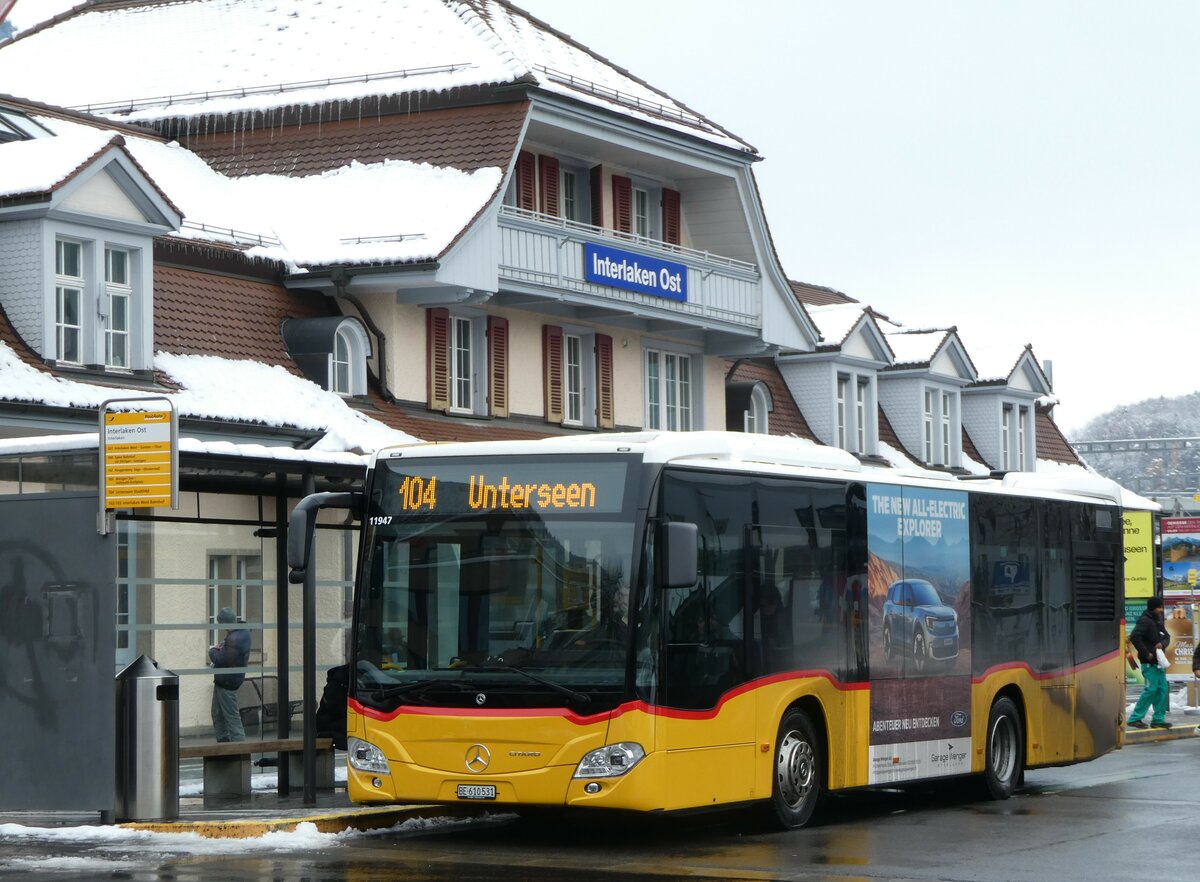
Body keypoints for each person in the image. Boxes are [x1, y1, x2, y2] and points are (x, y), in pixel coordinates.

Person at [1127, 596, 1171, 730]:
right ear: (1153, 608)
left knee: (1162, 690)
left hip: (1159, 662)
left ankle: (1158, 719)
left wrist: (1162, 644)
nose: (1161, 610)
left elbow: (1167, 636)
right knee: (1151, 689)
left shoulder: (1157, 621)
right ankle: (1135, 718)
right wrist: (1146, 653)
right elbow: (1134, 636)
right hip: (1149, 662)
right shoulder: (1145, 620)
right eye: (1159, 607)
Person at [209, 607, 251, 742]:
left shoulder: (235, 638)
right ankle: (224, 747)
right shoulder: (239, 634)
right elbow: (228, 655)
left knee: (231, 717)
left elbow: (221, 659)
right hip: (224, 681)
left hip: (227, 682)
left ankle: (239, 750)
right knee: (217, 714)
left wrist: (213, 651)